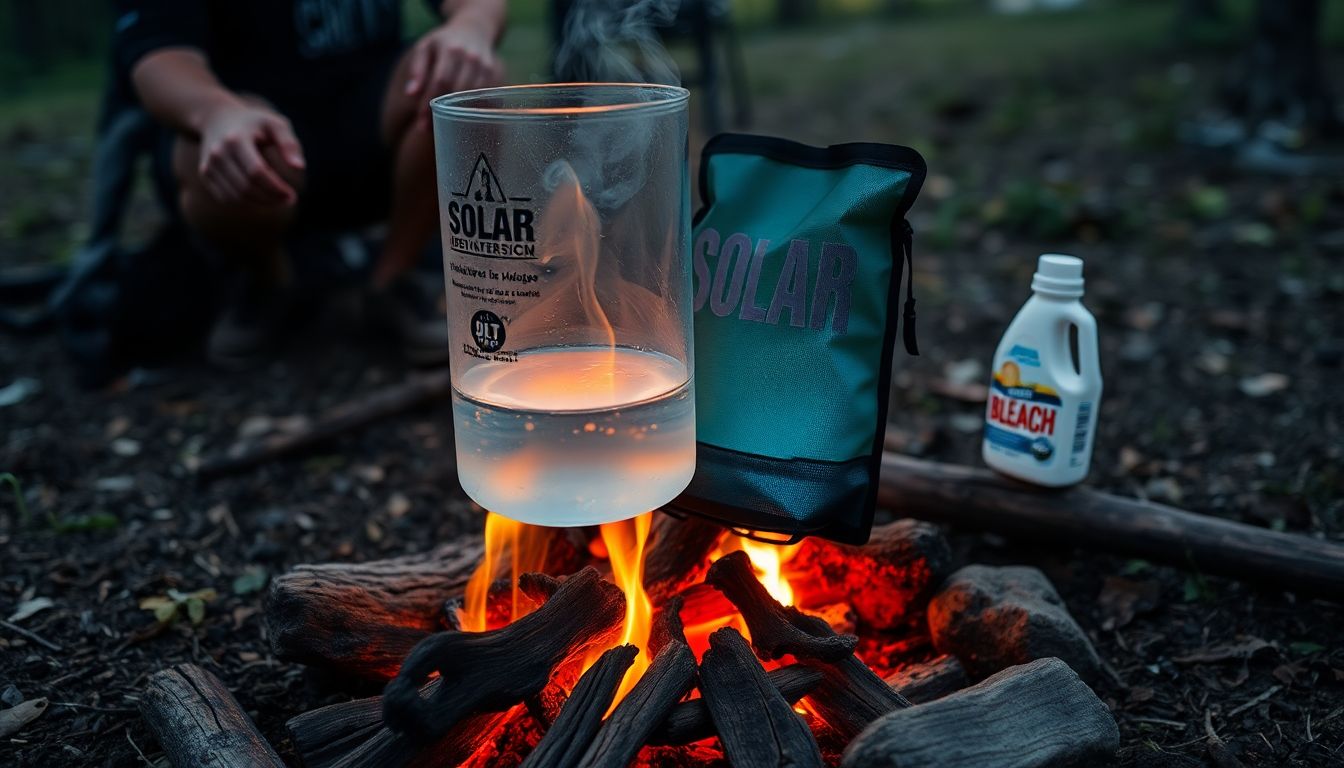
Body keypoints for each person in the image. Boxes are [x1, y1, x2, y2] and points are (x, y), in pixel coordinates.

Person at [114, 0, 506, 367]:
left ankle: (393, 280)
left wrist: (472, 27)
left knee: (468, 93)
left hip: (375, 129)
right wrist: (215, 113)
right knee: (210, 147)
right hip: (252, 135)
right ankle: (267, 282)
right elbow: (157, 56)